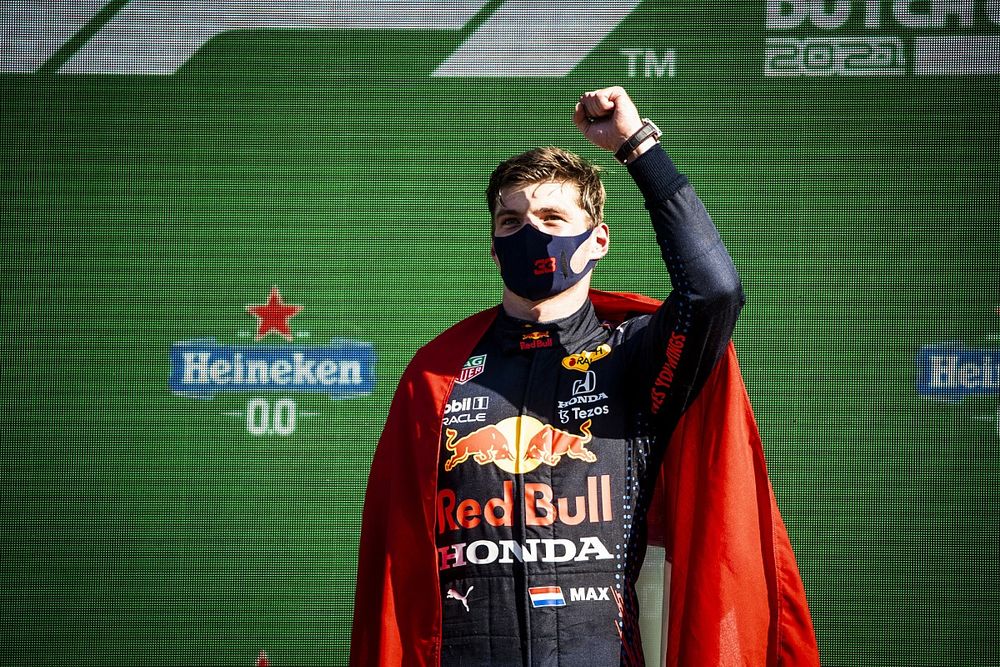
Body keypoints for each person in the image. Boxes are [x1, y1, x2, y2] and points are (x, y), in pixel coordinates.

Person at [351, 87, 820, 666]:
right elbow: (395, 566)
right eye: (512, 220)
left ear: (598, 240)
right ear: (495, 250)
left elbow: (714, 292)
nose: (534, 233)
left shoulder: (632, 356)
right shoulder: (437, 375)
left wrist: (637, 148)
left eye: (553, 217)